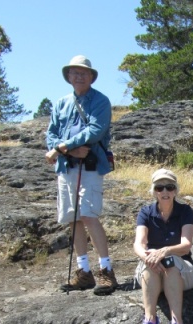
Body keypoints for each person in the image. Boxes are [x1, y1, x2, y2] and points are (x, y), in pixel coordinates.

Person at [45, 55, 117, 296]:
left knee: (88, 214)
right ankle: (83, 272)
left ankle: (106, 271)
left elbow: (96, 130)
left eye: (83, 72)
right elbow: (51, 134)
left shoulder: (101, 101)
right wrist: (67, 149)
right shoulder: (61, 103)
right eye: (74, 72)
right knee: (72, 217)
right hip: (66, 166)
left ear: (91, 76)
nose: (78, 76)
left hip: (90, 165)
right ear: (68, 76)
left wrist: (60, 148)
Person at [132, 169, 193, 324]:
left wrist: (164, 252)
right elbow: (139, 244)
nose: (165, 192)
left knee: (169, 261)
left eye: (169, 187)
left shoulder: (185, 211)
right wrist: (149, 257)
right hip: (153, 271)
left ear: (175, 190)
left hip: (182, 272)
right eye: (160, 188)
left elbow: (185, 245)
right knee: (150, 263)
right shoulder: (145, 213)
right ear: (154, 191)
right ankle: (150, 321)